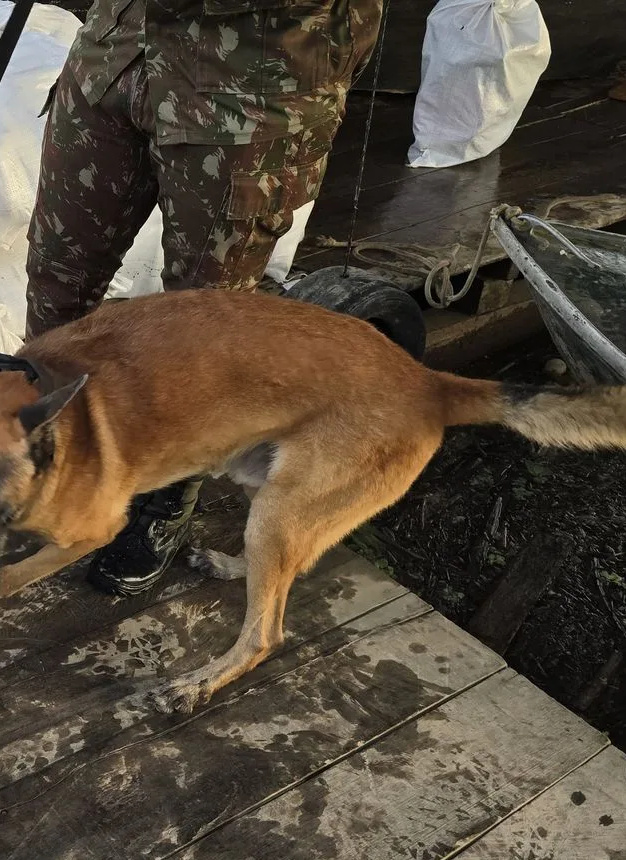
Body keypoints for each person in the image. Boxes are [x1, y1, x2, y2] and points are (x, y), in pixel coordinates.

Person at [25, 0, 384, 597]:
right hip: (117, 52)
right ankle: (59, 451)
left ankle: (166, 499)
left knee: (204, 330)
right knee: (56, 280)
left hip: (247, 88)